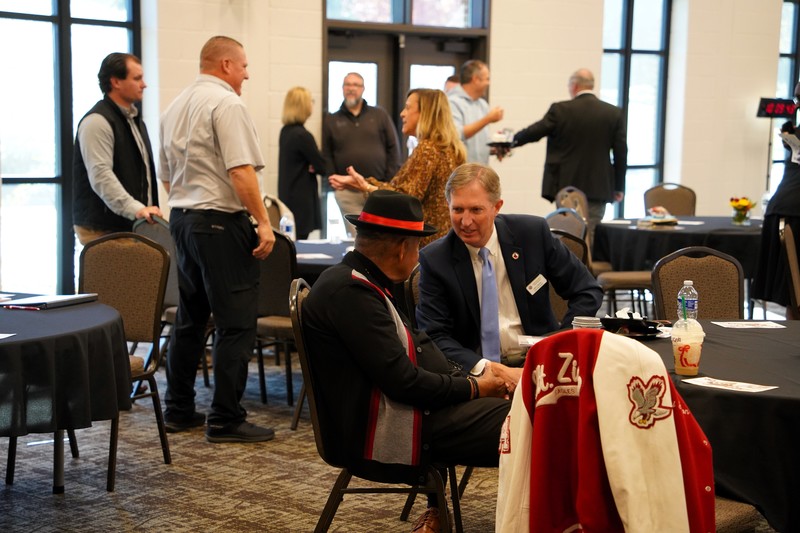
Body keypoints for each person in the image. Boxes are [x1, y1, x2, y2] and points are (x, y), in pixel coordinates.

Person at [302, 189, 511, 533]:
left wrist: (473, 383)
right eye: (416, 248)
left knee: (524, 411)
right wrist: (475, 388)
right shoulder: (352, 292)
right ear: (402, 248)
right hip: (382, 427)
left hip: (405, 411)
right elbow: (405, 382)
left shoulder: (363, 282)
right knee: (531, 422)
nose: (417, 257)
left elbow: (415, 357)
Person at [159, 35, 276, 443]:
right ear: (226, 65)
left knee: (191, 319)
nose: (247, 74)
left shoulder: (173, 107)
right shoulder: (227, 103)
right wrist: (263, 221)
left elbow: (167, 178)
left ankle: (178, 409)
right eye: (244, 66)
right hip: (221, 224)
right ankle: (226, 418)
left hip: (183, 220)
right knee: (236, 324)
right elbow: (241, 171)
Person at [416, 163, 603, 388]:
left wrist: (560, 342)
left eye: (476, 210)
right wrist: (488, 369)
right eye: (458, 210)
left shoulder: (532, 234)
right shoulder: (436, 260)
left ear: (497, 207)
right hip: (479, 375)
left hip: (543, 364)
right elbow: (434, 336)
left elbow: (587, 290)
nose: (465, 222)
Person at [329, 89, 466, 246]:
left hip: (424, 245)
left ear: (425, 113)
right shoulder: (449, 149)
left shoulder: (428, 149)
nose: (402, 113)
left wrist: (366, 186)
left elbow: (404, 199)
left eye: (408, 108)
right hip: (440, 241)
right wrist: (363, 183)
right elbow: (402, 190)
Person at [511, 68, 627, 238]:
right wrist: (618, 187)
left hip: (567, 187)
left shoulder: (561, 110)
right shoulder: (613, 113)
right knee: (590, 233)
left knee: (569, 234)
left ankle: (573, 264)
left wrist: (510, 141)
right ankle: (587, 264)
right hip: (598, 186)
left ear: (574, 86)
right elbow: (621, 152)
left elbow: (535, 132)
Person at [72, 52, 162, 245]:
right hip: (104, 228)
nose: (144, 84)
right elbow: (101, 176)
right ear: (116, 82)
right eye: (137, 78)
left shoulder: (135, 121)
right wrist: (136, 209)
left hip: (131, 224)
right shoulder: (97, 122)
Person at [323, 72, 401, 235]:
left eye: (356, 85)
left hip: (377, 189)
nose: (351, 88)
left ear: (363, 89)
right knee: (357, 238)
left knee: (380, 236)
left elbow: (393, 147)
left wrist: (388, 181)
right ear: (342, 89)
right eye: (347, 85)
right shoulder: (331, 119)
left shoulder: (379, 115)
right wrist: (334, 181)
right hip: (347, 192)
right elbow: (327, 153)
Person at [752, 102, 800, 318]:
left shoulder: (792, 133)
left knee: (794, 290)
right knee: (794, 289)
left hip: (782, 207)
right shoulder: (792, 132)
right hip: (793, 211)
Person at [278, 86, 328, 239]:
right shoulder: (303, 135)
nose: (312, 105)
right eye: (310, 101)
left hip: (289, 196)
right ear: (303, 106)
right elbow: (322, 166)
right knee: (300, 243)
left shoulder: (285, 131)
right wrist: (314, 165)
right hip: (301, 199)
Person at [447, 59, 504, 164]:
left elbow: (476, 144)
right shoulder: (452, 103)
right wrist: (488, 119)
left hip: (479, 172)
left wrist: (494, 149)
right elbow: (457, 135)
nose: (489, 83)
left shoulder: (482, 104)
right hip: (461, 173)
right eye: (487, 79)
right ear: (476, 79)